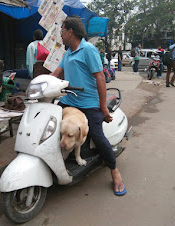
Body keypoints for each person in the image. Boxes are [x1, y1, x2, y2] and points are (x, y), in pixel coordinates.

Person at [51, 17, 126, 196]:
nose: (60, 34)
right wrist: (39, 85)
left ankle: (114, 171)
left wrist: (103, 108)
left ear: (70, 32)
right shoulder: (68, 52)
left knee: (97, 136)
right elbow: (56, 73)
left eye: (62, 30)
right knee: (51, 123)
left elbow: (100, 78)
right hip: (69, 101)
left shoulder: (88, 50)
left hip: (88, 104)